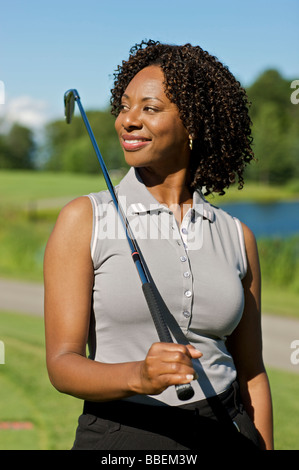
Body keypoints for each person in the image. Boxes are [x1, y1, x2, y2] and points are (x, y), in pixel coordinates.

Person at [44, 40, 274, 451]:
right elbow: (62, 365)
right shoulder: (85, 218)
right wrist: (138, 376)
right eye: (125, 106)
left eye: (149, 108)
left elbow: (252, 371)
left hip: (229, 429)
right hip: (124, 434)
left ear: (194, 125)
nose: (128, 120)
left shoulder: (237, 235)